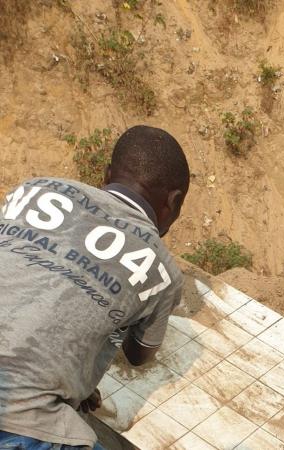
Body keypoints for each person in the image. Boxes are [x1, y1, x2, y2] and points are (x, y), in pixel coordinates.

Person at [0, 125, 190, 449]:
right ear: (172, 203)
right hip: (19, 422)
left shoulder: (32, 190)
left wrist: (76, 377)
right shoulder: (161, 269)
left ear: (106, 174)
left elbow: (32, 286)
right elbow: (138, 354)